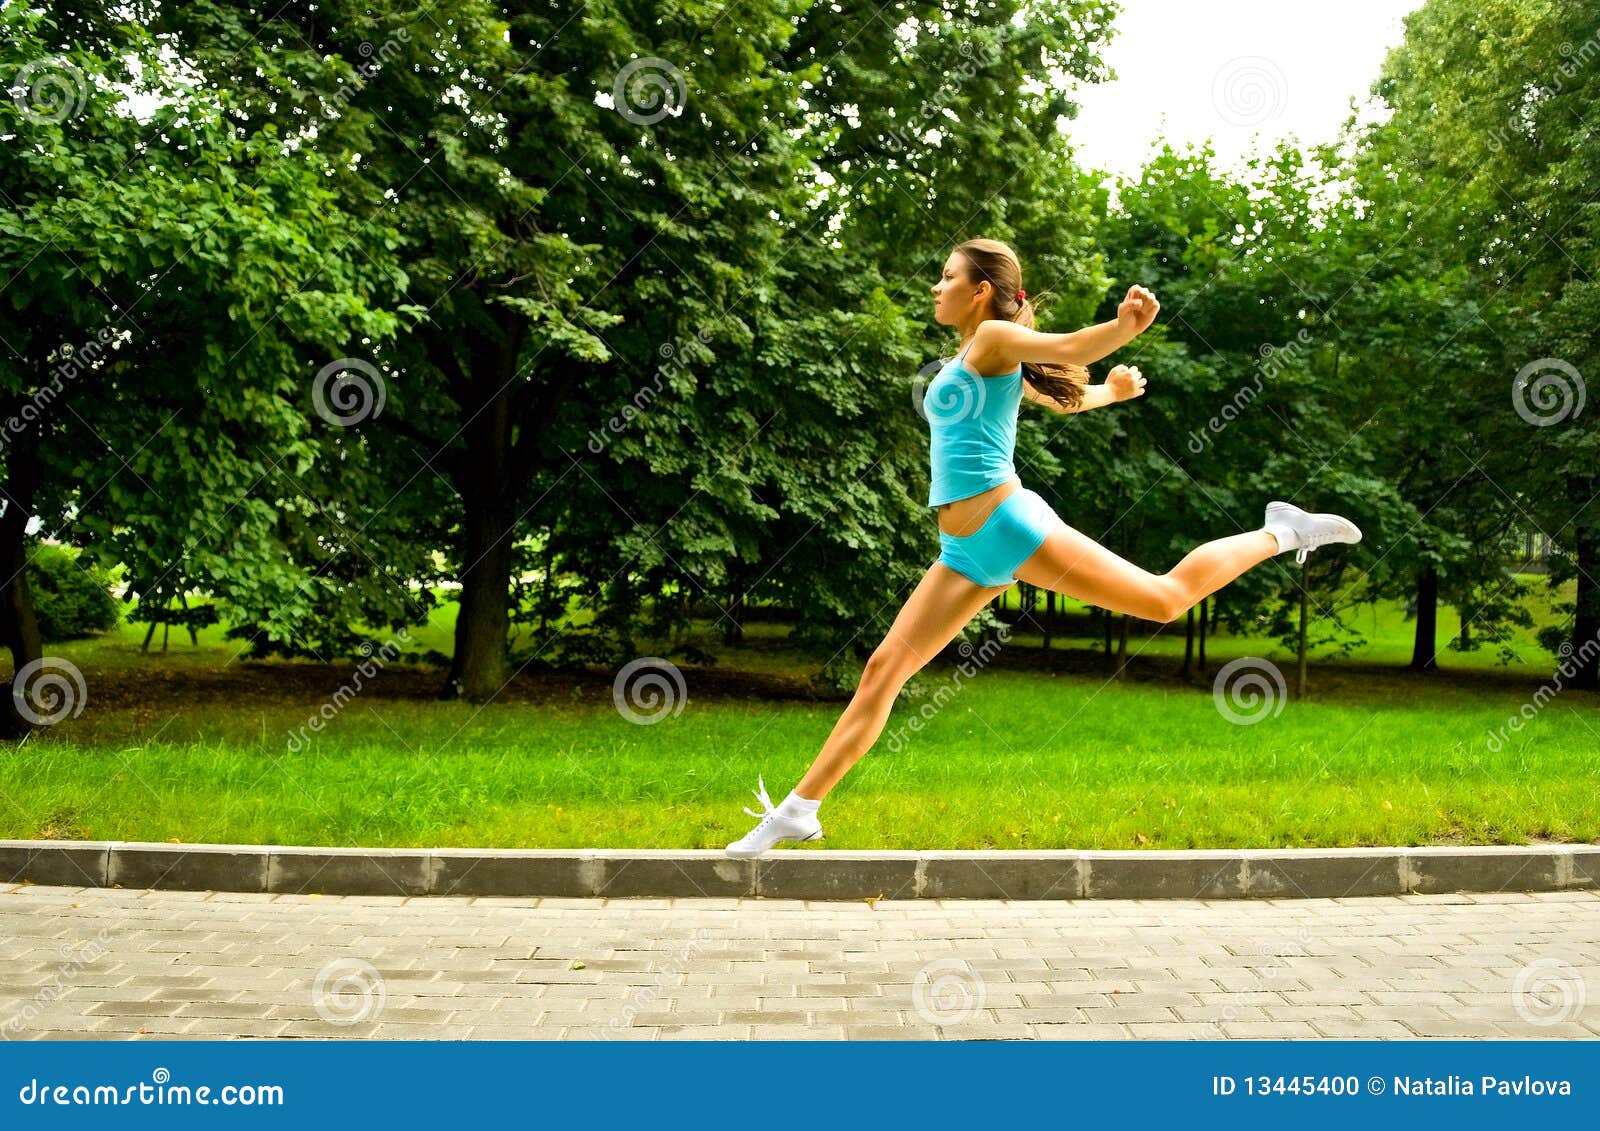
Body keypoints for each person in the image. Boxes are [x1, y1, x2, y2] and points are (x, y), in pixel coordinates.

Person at [724, 237, 1361, 858]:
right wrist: (1112, 392)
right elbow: (1057, 392)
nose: (935, 287)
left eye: (947, 277)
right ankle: (798, 812)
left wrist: (1123, 327)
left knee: (1165, 600)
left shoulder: (994, 339)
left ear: (979, 292)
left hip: (1010, 524)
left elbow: (1068, 347)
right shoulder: (973, 356)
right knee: (882, 672)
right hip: (965, 550)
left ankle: (1281, 530)